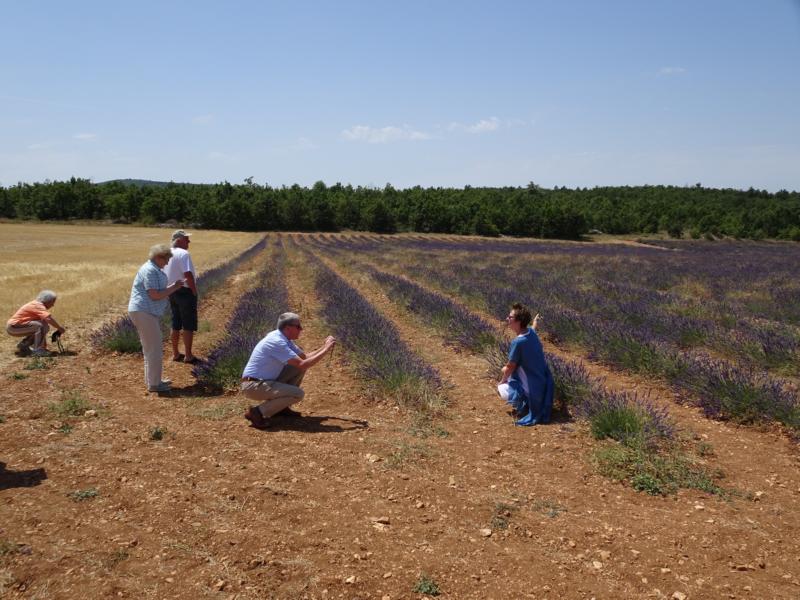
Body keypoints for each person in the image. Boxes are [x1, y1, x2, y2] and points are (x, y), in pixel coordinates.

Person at [241, 312, 336, 429]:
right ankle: (257, 412)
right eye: (298, 327)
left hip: (264, 382)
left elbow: (303, 357)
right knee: (298, 394)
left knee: (296, 367)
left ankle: (281, 408)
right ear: (288, 328)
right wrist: (326, 349)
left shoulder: (284, 338)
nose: (301, 329)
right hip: (254, 385)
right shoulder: (276, 342)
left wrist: (325, 346)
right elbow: (303, 364)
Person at [128, 244, 185, 393]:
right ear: (159, 257)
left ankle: (153, 380)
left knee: (150, 348)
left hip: (145, 312)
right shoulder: (150, 270)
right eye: (166, 260)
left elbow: (157, 292)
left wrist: (173, 286)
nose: (167, 263)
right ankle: (154, 385)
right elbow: (154, 295)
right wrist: (174, 287)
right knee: (154, 349)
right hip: (144, 312)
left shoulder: (153, 269)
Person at [497, 302, 554, 426]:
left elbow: (510, 367)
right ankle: (529, 400)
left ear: (518, 321)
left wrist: (502, 380)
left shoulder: (518, 342)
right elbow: (533, 328)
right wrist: (535, 321)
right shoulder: (531, 334)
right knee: (509, 369)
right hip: (544, 384)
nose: (507, 318)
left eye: (510, 317)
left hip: (533, 389)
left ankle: (525, 403)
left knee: (502, 387)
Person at [164, 230, 200, 365]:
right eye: (186, 239)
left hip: (172, 291)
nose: (189, 241)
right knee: (188, 324)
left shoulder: (167, 254)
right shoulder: (184, 254)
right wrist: (194, 290)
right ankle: (188, 355)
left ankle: (175, 353)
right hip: (185, 291)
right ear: (179, 240)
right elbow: (188, 274)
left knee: (175, 322)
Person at [6, 290, 66, 357]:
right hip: (14, 327)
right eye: (52, 302)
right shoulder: (38, 305)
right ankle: (38, 350)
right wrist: (59, 328)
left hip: (15, 327)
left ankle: (24, 345)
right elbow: (48, 318)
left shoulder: (36, 304)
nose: (53, 305)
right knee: (40, 326)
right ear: (47, 301)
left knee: (43, 325)